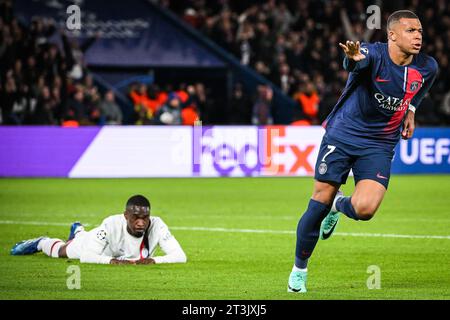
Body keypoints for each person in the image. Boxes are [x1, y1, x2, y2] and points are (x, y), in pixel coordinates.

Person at [287, 10, 438, 293]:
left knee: (365, 210)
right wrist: (352, 58)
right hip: (342, 136)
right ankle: (299, 269)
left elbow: (421, 88)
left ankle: (338, 205)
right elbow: (356, 61)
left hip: (380, 143)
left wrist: (412, 110)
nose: (418, 36)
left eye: (420, 31)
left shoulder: (428, 66)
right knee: (317, 204)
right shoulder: (372, 54)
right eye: (410, 31)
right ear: (392, 34)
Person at [10, 195, 187, 265]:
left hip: (106, 248)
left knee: (79, 236)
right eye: (136, 217)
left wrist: (154, 261)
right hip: (93, 244)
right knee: (62, 251)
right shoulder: (111, 224)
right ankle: (41, 242)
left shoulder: (157, 225)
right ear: (126, 215)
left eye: (145, 218)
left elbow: (180, 256)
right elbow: (87, 256)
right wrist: (112, 261)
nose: (141, 222)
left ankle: (78, 230)